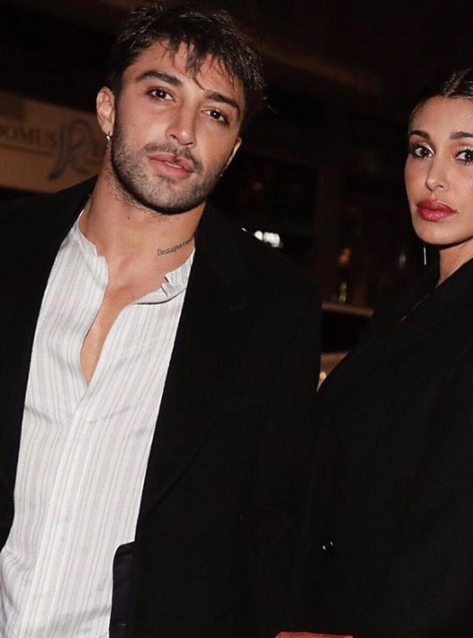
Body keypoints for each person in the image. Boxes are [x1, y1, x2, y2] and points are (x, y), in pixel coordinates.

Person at [0, 3, 321, 637]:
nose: (183, 130)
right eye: (160, 92)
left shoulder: (274, 310)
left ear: (233, 150)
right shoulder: (10, 248)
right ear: (107, 108)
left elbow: (271, 532)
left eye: (216, 113)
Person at [287, 65, 473, 638]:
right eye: (421, 150)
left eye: (467, 155)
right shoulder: (412, 303)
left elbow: (450, 550)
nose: (434, 178)